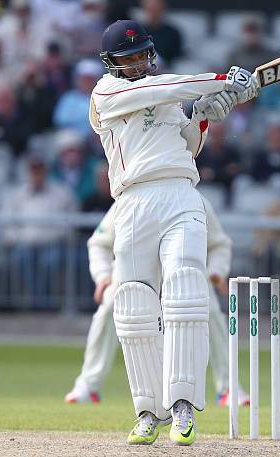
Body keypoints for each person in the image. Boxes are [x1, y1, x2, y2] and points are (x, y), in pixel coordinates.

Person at [89, 19, 258, 445]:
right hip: (132, 203)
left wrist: (202, 115)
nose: (138, 63)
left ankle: (183, 406)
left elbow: (187, 148)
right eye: (127, 58)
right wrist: (220, 79)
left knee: (186, 287)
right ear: (112, 64)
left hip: (182, 195)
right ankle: (148, 411)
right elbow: (161, 90)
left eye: (143, 54)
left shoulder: (169, 98)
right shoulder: (106, 94)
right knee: (132, 307)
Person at [65, 197, 250, 408]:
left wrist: (216, 270)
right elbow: (100, 242)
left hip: (182, 272)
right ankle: (88, 384)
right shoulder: (129, 200)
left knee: (210, 310)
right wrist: (103, 275)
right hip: (136, 272)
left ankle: (228, 388)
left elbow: (219, 244)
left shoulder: (195, 201)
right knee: (109, 307)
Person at [3, 150, 78, 309]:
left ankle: (42, 303)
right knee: (21, 258)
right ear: (28, 172)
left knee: (50, 262)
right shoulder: (17, 195)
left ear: (46, 171)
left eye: (39, 169)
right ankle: (38, 302)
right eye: (33, 169)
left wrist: (54, 238)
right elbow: (9, 224)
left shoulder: (62, 193)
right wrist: (18, 239)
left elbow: (70, 222)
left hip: (54, 244)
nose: (36, 173)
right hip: (25, 244)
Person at [195, 121, 242, 206]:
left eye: (219, 134)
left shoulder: (232, 153)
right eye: (214, 134)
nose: (216, 137)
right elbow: (195, 170)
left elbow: (232, 172)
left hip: (223, 190)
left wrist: (212, 174)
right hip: (202, 188)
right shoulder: (201, 152)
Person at [54, 59, 102, 139]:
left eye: (89, 79)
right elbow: (60, 120)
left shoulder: (102, 99)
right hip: (71, 137)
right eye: (83, 79)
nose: (86, 82)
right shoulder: (68, 98)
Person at [0, 84, 32, 156]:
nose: (2, 104)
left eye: (6, 100)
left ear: (14, 101)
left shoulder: (23, 112)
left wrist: (2, 132)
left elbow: (23, 137)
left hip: (19, 156)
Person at [50, 129, 100, 204]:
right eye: (69, 151)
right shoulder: (51, 174)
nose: (73, 156)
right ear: (61, 154)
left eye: (76, 151)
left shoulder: (94, 170)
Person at [140, 0, 183, 67]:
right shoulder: (138, 31)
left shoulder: (173, 33)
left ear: (163, 9)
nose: (154, 12)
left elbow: (177, 55)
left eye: (157, 9)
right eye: (151, 9)